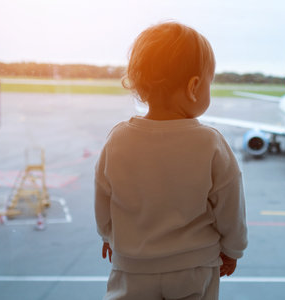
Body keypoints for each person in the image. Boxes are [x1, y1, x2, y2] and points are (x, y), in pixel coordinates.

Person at [94, 21, 248, 300]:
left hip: (132, 267)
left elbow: (104, 197)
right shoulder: (210, 142)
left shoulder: (117, 139)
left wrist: (107, 236)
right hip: (194, 267)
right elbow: (230, 207)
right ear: (194, 87)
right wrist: (233, 249)